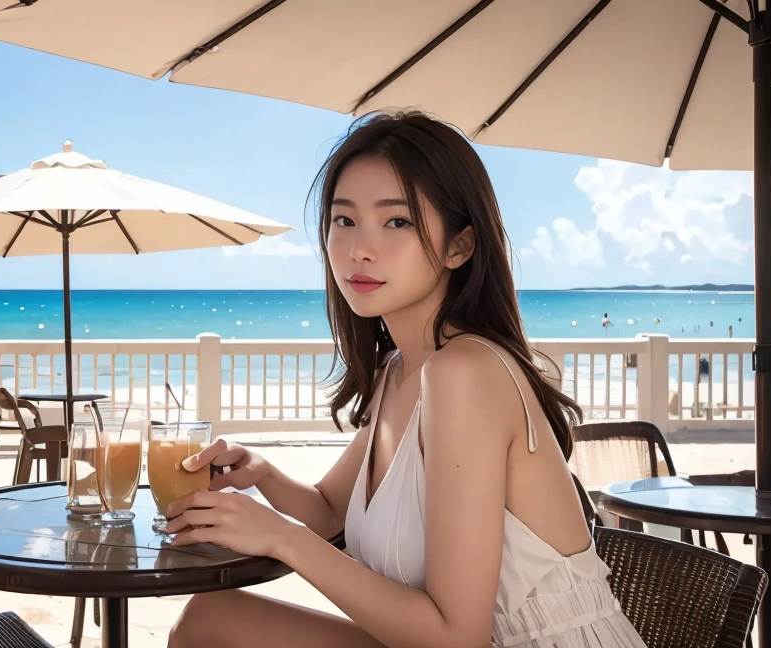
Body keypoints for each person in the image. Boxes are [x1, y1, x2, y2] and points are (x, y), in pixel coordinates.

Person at [164, 112, 647, 648]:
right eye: (343, 220)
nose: (358, 249)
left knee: (212, 626)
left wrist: (281, 538)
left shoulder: (467, 373)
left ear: (459, 247)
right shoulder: (400, 369)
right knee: (211, 618)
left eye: (397, 222)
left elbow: (454, 638)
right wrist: (263, 475)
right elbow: (328, 511)